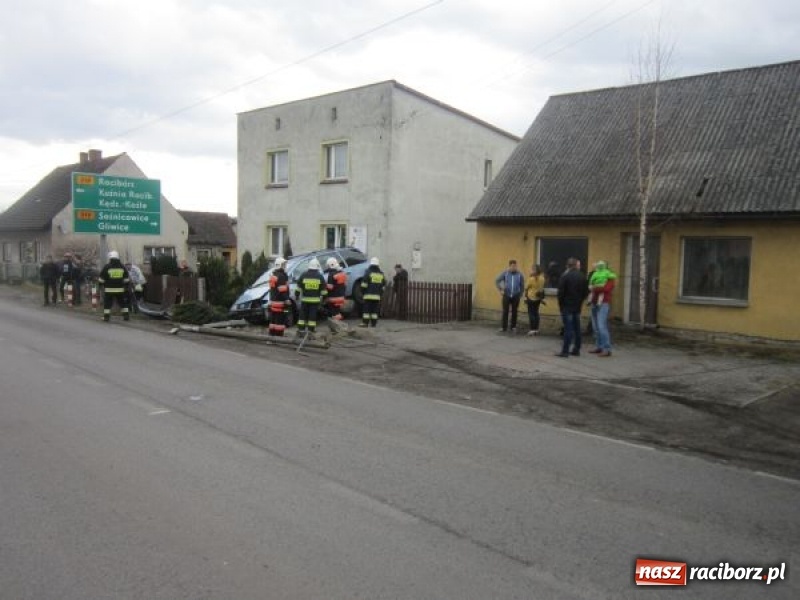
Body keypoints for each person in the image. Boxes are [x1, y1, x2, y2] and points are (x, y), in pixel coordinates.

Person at [555, 257, 589, 357]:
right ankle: (576, 349)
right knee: (577, 328)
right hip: (577, 306)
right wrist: (580, 301)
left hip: (567, 306)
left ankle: (565, 351)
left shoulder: (565, 276)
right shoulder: (582, 276)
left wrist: (561, 305)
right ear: (575, 265)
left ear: (568, 265)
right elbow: (585, 292)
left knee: (568, 329)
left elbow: (560, 293)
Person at [588, 260, 617, 357]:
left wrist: (594, 287)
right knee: (595, 327)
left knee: (601, 326)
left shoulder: (610, 277)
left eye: (602, 266)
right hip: (594, 302)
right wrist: (594, 287)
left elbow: (606, 289)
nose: (599, 267)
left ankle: (607, 349)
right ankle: (599, 346)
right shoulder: (595, 274)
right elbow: (589, 285)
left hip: (604, 303)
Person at [296, 258, 327, 337]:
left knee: (302, 315)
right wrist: (324, 299)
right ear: (317, 267)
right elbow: (324, 291)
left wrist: (297, 296)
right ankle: (311, 329)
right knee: (312, 315)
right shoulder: (320, 277)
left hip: (305, 300)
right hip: (315, 301)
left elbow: (298, 288)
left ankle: (301, 329)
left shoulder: (303, 275)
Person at [98, 251, 130, 322]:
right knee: (122, 303)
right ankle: (126, 316)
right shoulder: (122, 267)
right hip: (120, 290)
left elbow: (101, 279)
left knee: (107, 304)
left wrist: (100, 286)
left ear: (110, 258)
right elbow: (127, 279)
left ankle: (106, 317)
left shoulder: (107, 267)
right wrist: (126, 287)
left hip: (109, 290)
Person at [495, 259, 524, 333]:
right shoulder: (505, 273)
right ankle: (503, 327)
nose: (514, 267)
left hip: (516, 295)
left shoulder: (520, 274)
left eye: (515, 266)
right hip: (506, 295)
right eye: (512, 266)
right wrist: (501, 289)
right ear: (509, 266)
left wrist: (520, 294)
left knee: (514, 311)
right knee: (505, 311)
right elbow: (497, 281)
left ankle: (513, 327)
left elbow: (522, 285)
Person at [359, 257, 386, 327]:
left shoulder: (368, 272)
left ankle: (365, 323)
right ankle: (374, 324)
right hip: (377, 297)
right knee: (374, 311)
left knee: (366, 311)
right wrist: (380, 294)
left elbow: (363, 284)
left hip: (367, 296)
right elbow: (383, 286)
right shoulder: (381, 274)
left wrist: (362, 292)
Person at [268, 257, 291, 336]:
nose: (285, 266)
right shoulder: (281, 276)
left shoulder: (274, 275)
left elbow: (272, 289)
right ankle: (279, 336)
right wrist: (287, 299)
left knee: (273, 320)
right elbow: (282, 290)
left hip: (273, 301)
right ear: (280, 265)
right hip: (280, 302)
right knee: (280, 320)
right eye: (284, 264)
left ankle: (271, 336)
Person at [524, 264, 546, 336]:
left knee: (531, 314)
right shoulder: (542, 278)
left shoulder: (531, 279)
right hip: (538, 298)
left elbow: (526, 287)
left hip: (531, 297)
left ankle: (532, 329)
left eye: (532, 269)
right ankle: (536, 329)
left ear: (534, 270)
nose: (531, 270)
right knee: (536, 313)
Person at [324, 257, 348, 322]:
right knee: (337, 311)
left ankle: (337, 326)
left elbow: (330, 287)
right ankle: (340, 323)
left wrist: (324, 285)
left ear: (330, 265)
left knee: (334, 313)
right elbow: (345, 284)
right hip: (341, 297)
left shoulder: (331, 274)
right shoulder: (342, 273)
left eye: (328, 266)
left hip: (333, 298)